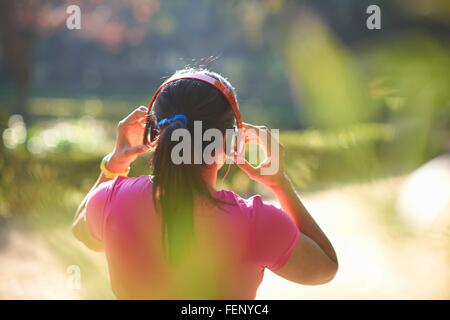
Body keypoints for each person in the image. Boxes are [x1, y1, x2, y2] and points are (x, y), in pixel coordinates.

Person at [72, 68, 338, 299]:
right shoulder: (256, 222)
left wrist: (114, 164)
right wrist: (281, 184)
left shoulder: (110, 199)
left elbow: (83, 231)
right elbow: (325, 268)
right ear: (229, 141)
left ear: (154, 135)